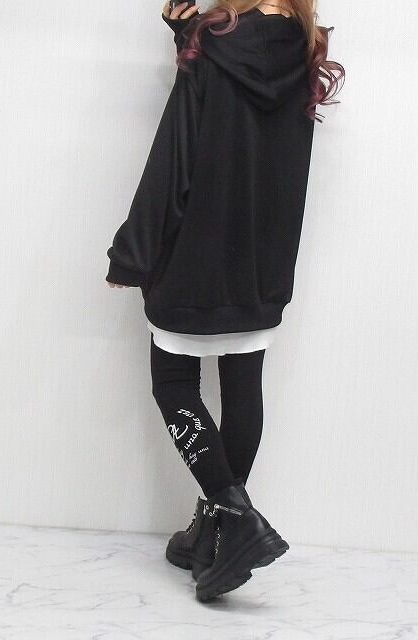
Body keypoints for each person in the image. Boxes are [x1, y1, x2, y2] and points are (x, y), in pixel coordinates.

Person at [105, 0, 344, 601]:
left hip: (197, 256)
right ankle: (210, 534)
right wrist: (185, 38)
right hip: (263, 262)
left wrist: (133, 253)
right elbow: (241, 122)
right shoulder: (303, 52)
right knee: (241, 389)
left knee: (173, 384)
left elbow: (177, 155)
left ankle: (237, 522)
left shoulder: (214, 46)